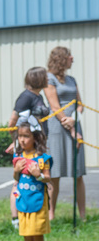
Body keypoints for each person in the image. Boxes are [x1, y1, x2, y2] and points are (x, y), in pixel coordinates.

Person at [43, 46, 87, 221]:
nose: (72, 58)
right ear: (61, 59)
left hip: (73, 126)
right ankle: (51, 215)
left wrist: (74, 118)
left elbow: (80, 104)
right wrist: (71, 127)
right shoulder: (49, 78)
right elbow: (54, 106)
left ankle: (83, 216)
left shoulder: (72, 79)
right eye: (69, 55)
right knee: (55, 173)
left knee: (79, 173)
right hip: (56, 129)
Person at [7, 66, 50, 228]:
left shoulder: (37, 96)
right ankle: (15, 218)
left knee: (36, 178)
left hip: (38, 145)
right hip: (24, 147)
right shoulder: (25, 97)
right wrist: (16, 141)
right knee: (19, 179)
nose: (47, 79)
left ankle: (34, 213)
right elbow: (12, 122)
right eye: (45, 77)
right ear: (38, 79)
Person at [12, 118, 52, 241]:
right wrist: (16, 171)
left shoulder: (42, 158)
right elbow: (16, 178)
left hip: (38, 200)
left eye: (26, 136)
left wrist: (38, 174)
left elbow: (47, 178)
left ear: (35, 138)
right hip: (23, 199)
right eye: (20, 136)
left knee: (37, 231)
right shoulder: (18, 157)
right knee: (26, 231)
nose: (22, 140)